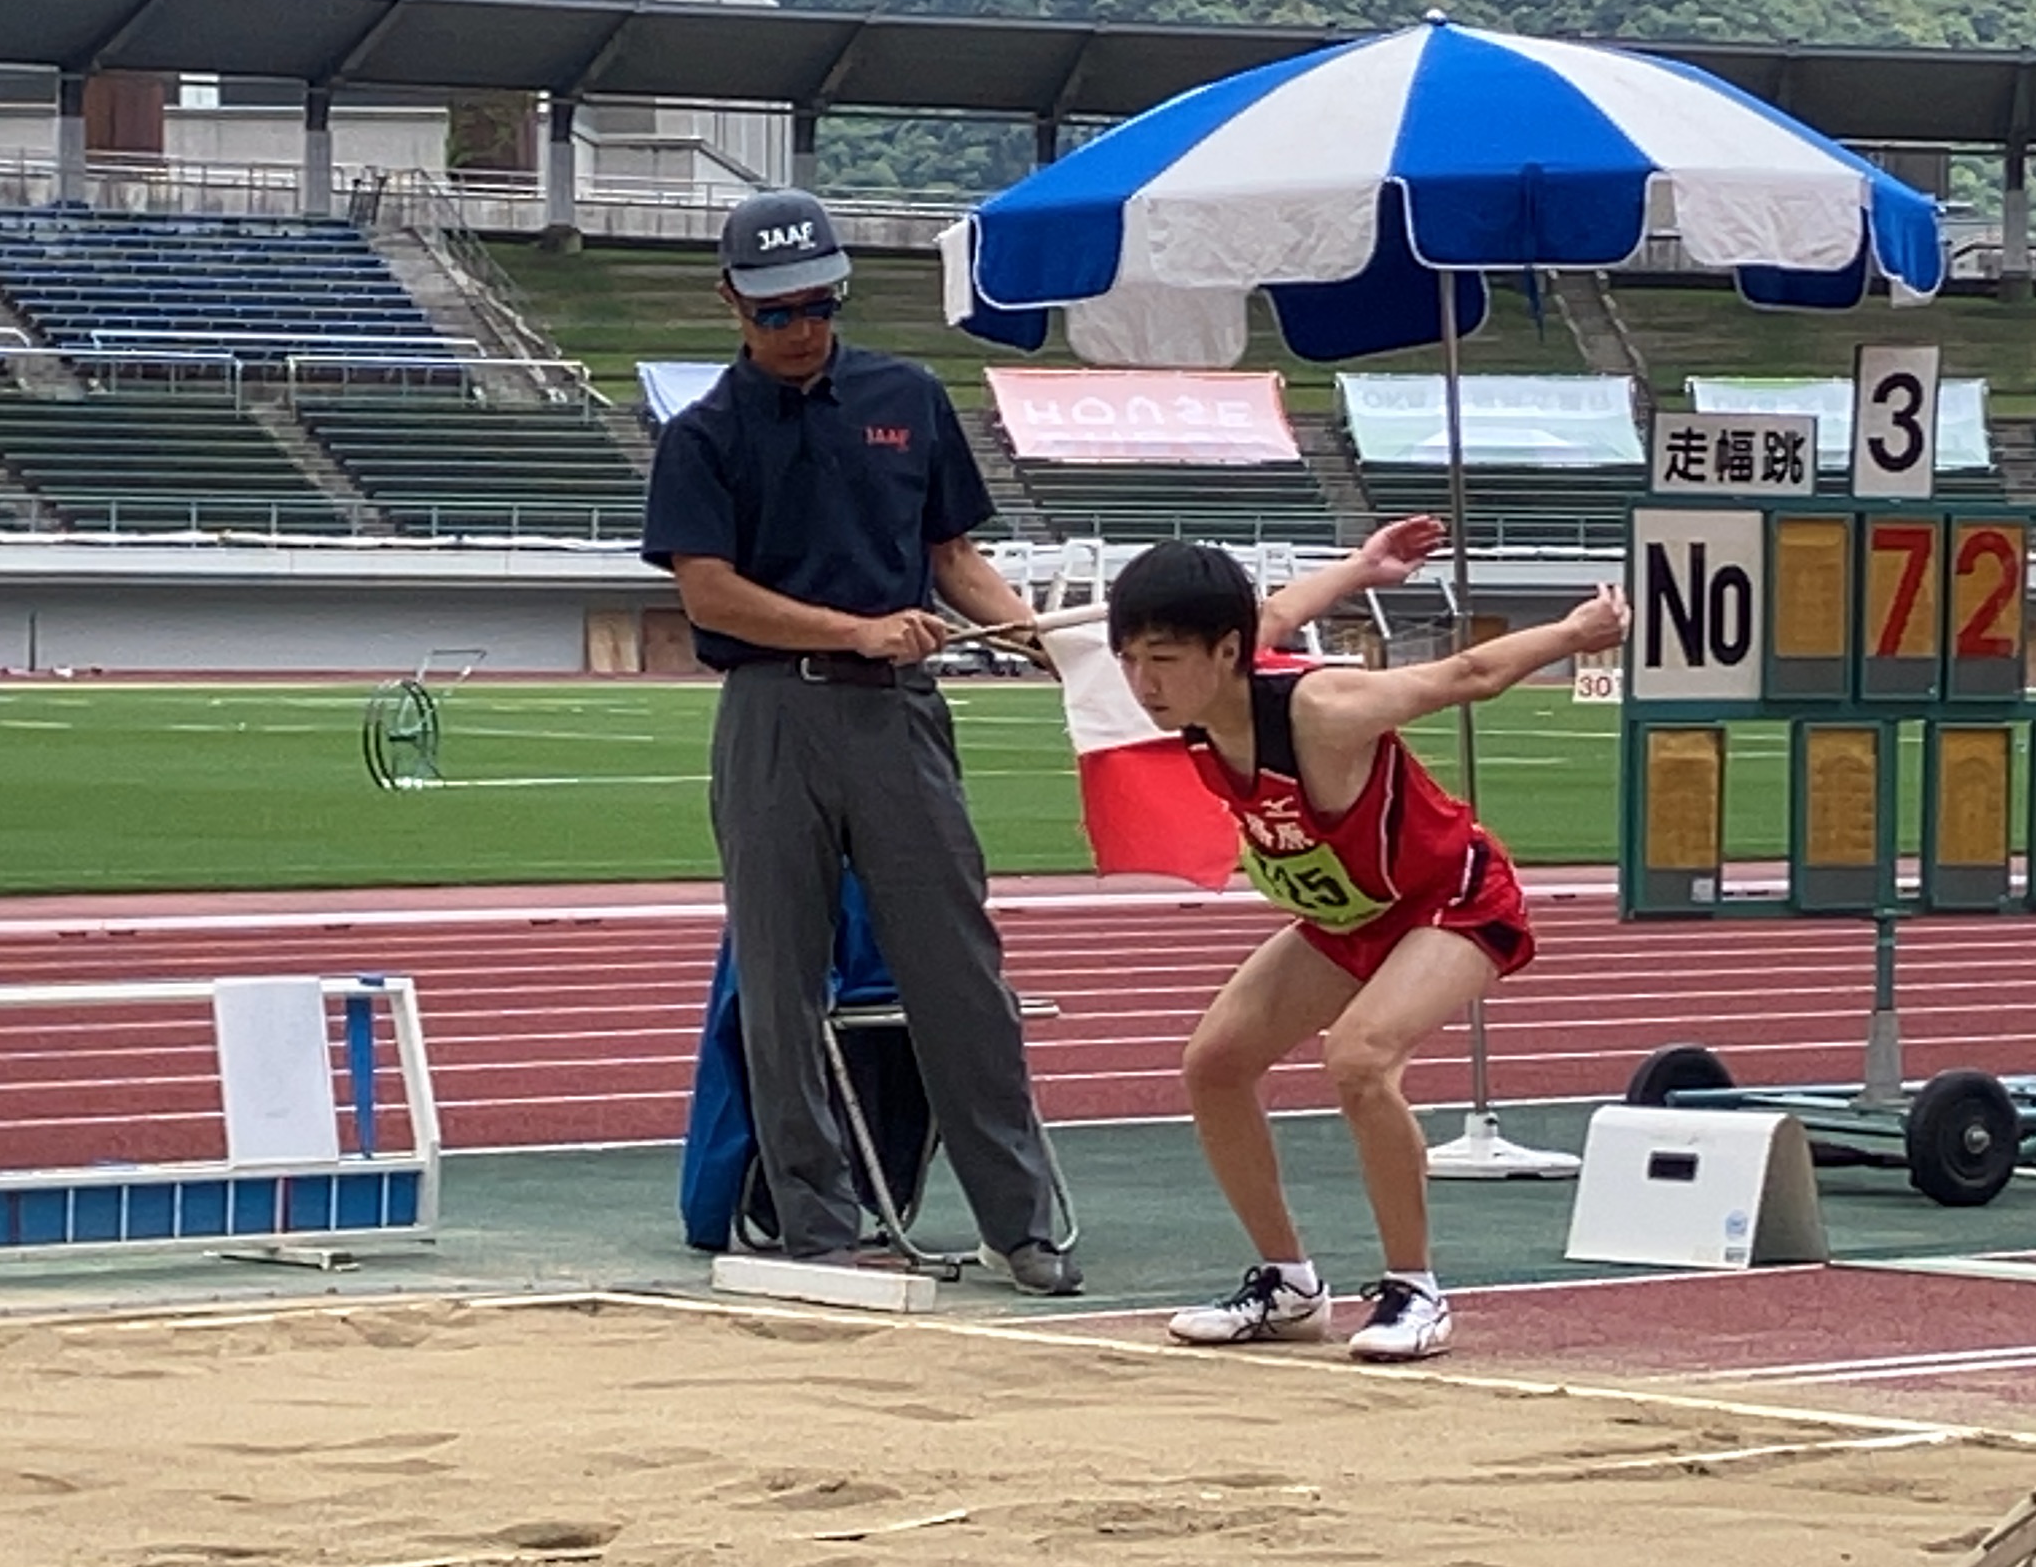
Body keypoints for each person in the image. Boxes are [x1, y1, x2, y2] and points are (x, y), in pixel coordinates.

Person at [642, 187, 1079, 1295]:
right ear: (734, 305)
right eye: (778, 311)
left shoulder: (907, 396)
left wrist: (1034, 637)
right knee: (781, 978)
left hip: (900, 716)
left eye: (819, 305)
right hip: (772, 713)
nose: (801, 330)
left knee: (959, 968)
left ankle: (1018, 1221)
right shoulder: (703, 436)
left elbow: (952, 553)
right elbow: (711, 593)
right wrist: (855, 629)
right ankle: (814, 1221)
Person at [1107, 526, 1629, 1362]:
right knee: (1215, 1063)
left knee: (1358, 1056)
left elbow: (1466, 675)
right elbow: (1276, 610)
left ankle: (1416, 1289)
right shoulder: (1209, 695)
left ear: (1225, 651)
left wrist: (1577, 633)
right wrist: (1360, 567)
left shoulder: (1324, 708)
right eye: (1130, 659)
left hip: (1452, 899)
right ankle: (1287, 1285)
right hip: (1350, 914)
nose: (1143, 684)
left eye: (1162, 660)